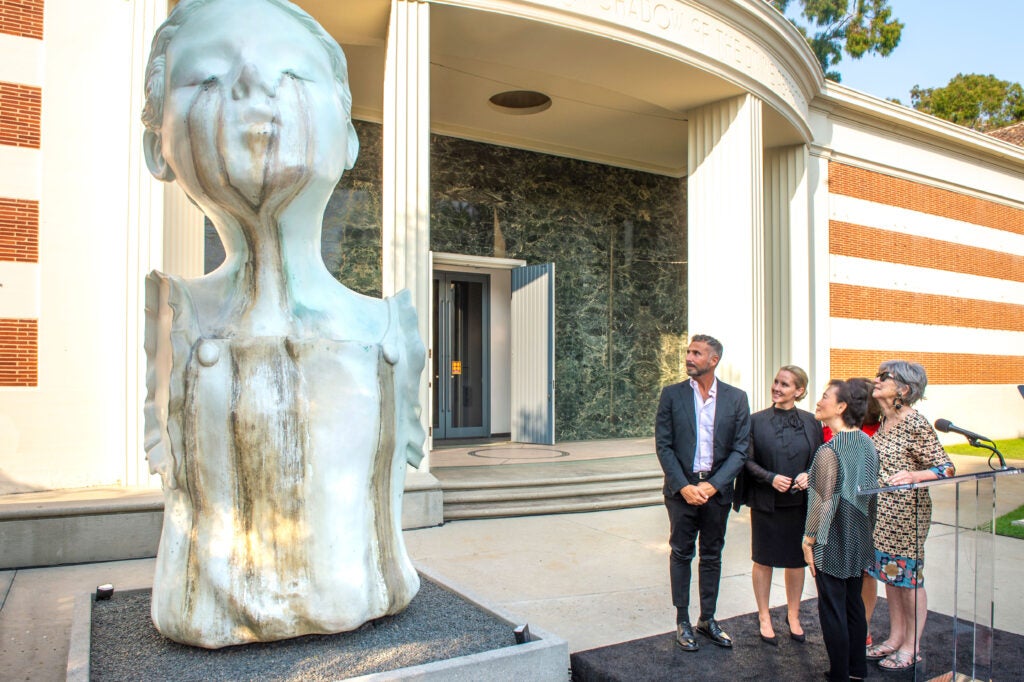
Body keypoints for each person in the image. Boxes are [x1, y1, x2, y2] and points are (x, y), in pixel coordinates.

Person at [140, 0, 425, 647]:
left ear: (350, 137)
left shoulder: (389, 329)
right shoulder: (171, 317)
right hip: (203, 616)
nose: (253, 87)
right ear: (155, 146)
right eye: (208, 78)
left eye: (293, 76)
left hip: (375, 596)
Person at [655, 334, 750, 651]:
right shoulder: (672, 395)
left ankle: (707, 619)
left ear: (714, 360)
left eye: (697, 353)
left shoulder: (736, 398)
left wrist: (713, 485)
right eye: (688, 352)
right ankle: (682, 620)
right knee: (681, 553)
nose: (689, 357)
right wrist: (683, 486)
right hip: (681, 490)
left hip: (716, 491)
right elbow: (664, 445)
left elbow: (740, 450)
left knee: (712, 555)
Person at [863, 361, 954, 672]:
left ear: (903, 388)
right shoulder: (885, 421)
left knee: (909, 578)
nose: (876, 380)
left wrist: (915, 474)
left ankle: (912, 645)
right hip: (882, 515)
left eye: (883, 377)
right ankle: (895, 637)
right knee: (891, 575)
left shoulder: (915, 422)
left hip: (906, 516)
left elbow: (946, 467)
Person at [737, 365, 822, 645]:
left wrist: (809, 474)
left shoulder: (812, 421)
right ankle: (764, 615)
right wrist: (771, 478)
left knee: (796, 561)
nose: (777, 387)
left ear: (798, 391)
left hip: (800, 503)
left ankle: (793, 615)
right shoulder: (755, 420)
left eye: (784, 384)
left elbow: (820, 457)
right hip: (767, 502)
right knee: (763, 559)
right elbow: (746, 461)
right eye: (776, 382)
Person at [803, 380, 879, 682]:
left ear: (841, 407)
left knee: (832, 609)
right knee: (853, 605)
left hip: (832, 537)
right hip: (859, 533)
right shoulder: (867, 442)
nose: (819, 402)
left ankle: (839, 674)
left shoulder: (828, 450)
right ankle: (857, 670)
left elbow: (824, 501)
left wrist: (809, 540)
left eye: (824, 397)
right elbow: (872, 494)